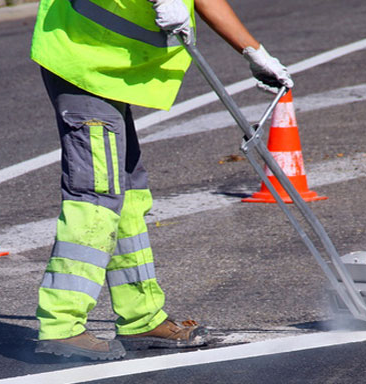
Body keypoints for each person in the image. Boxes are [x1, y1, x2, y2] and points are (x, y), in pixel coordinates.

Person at [30, 0, 293, 359]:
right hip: (83, 60)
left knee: (128, 193)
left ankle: (140, 316)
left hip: (112, 67)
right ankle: (61, 325)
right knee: (95, 193)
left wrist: (254, 52)